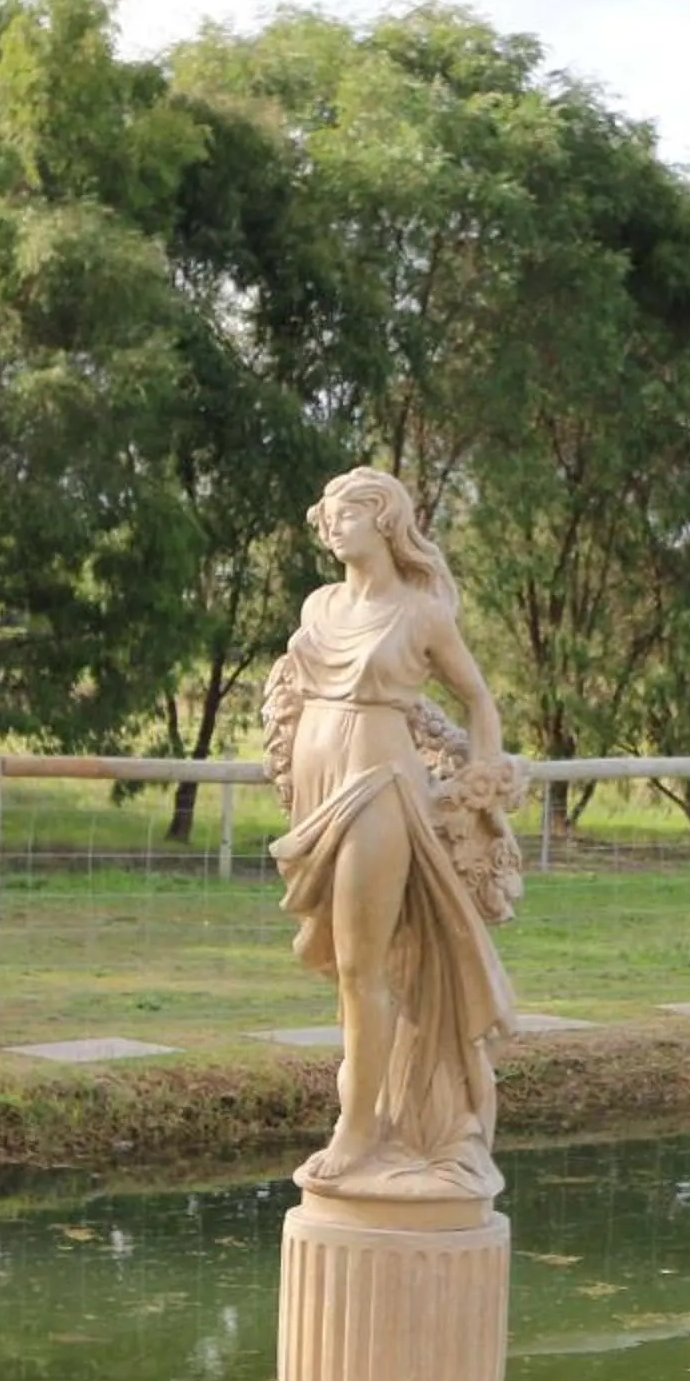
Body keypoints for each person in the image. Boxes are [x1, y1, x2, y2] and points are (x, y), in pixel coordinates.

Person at [261, 468, 525, 1199]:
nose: (331, 527)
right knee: (345, 971)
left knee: (361, 967)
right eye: (328, 517)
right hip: (316, 794)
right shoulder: (319, 607)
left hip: (382, 788)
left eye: (346, 515)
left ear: (385, 521)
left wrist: (483, 776)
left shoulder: (420, 614)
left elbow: (476, 699)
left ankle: (358, 1128)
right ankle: (373, 1111)